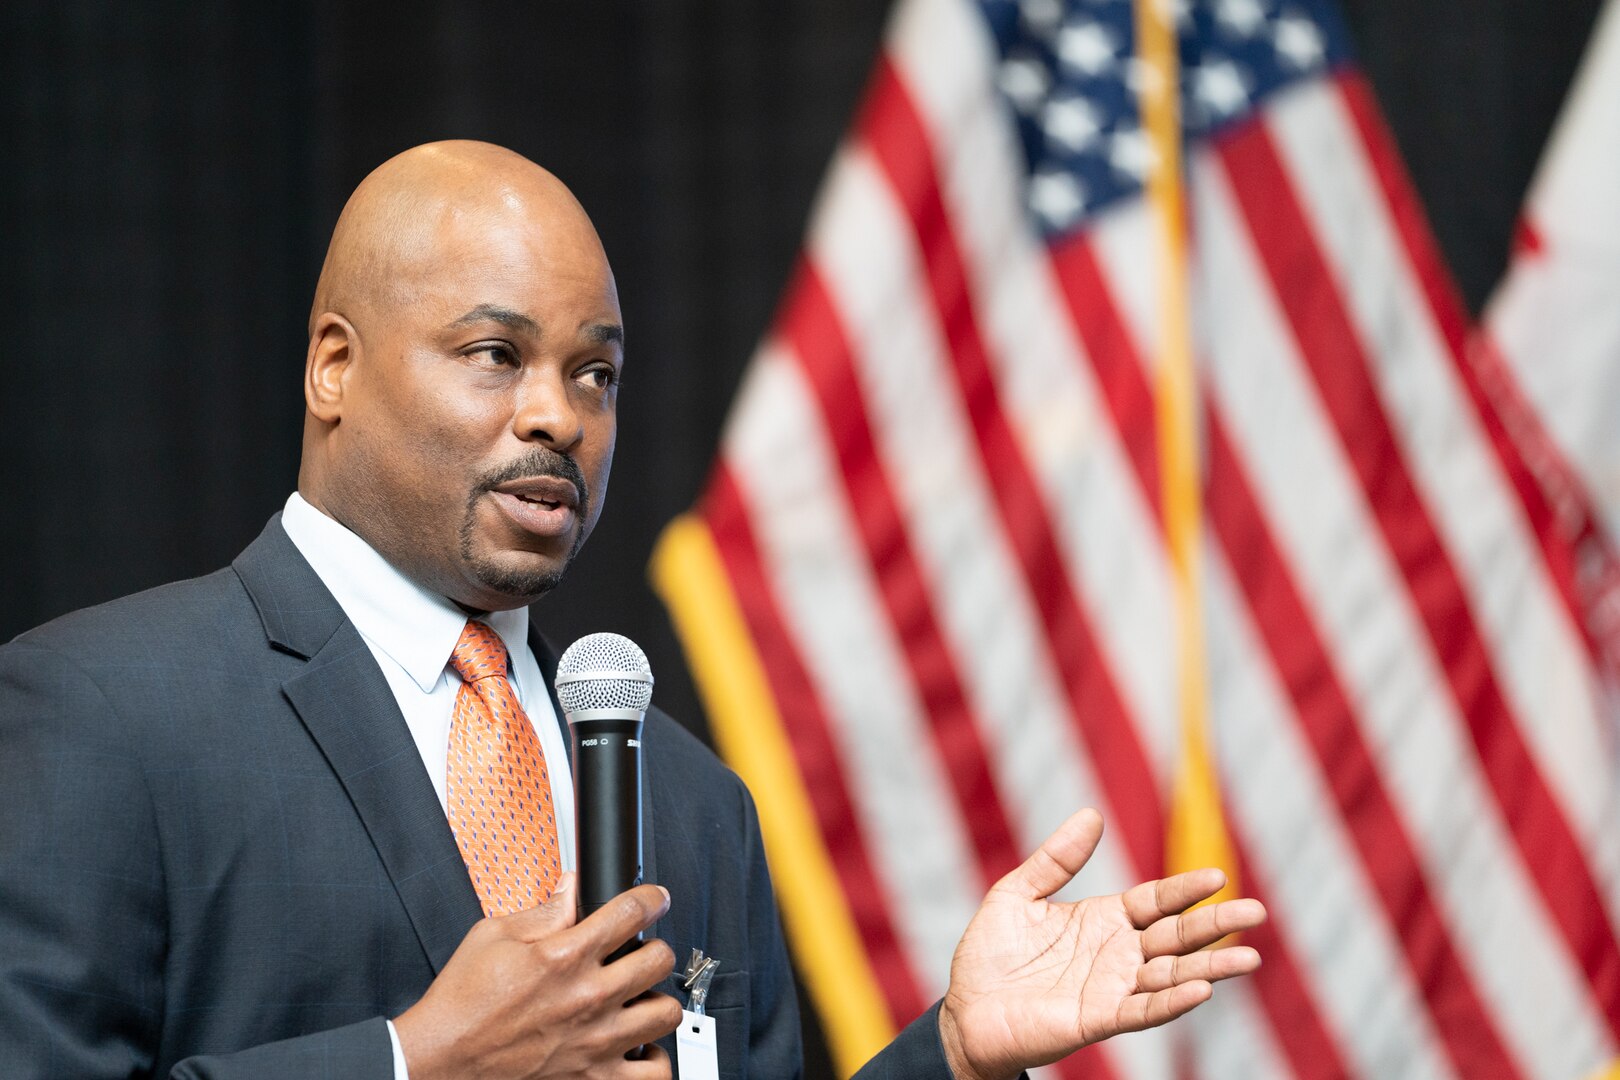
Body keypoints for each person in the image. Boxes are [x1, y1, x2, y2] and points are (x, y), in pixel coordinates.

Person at [0, 140, 1265, 1079]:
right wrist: (412, 1063)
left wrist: (953, 1051)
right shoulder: (102, 716)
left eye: (593, 372)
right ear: (335, 366)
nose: (559, 415)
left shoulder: (688, 796)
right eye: (495, 355)